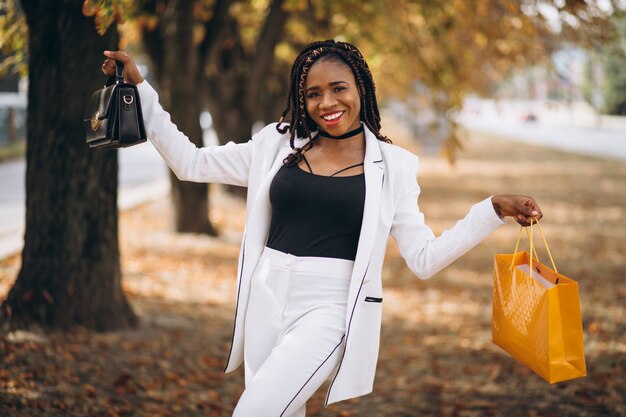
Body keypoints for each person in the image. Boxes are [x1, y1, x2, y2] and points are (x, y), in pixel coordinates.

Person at [102, 40, 542, 417]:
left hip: (330, 308)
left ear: (361, 90)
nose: (327, 104)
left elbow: (424, 259)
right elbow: (190, 163)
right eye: (313, 94)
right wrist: (141, 89)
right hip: (266, 295)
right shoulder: (276, 144)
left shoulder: (394, 167)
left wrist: (491, 210)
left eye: (338, 89)